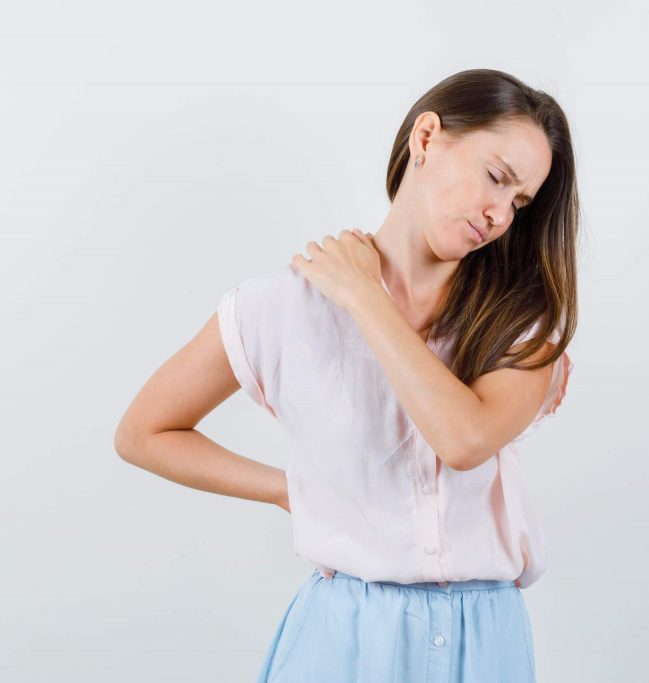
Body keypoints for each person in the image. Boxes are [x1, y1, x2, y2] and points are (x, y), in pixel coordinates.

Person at [114, 68, 579, 682]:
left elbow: (463, 440)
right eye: (496, 177)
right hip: (343, 639)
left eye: (519, 202)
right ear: (427, 138)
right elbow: (143, 432)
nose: (499, 214)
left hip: (485, 643)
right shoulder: (281, 308)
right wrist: (289, 490)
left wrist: (367, 298)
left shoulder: (521, 327)